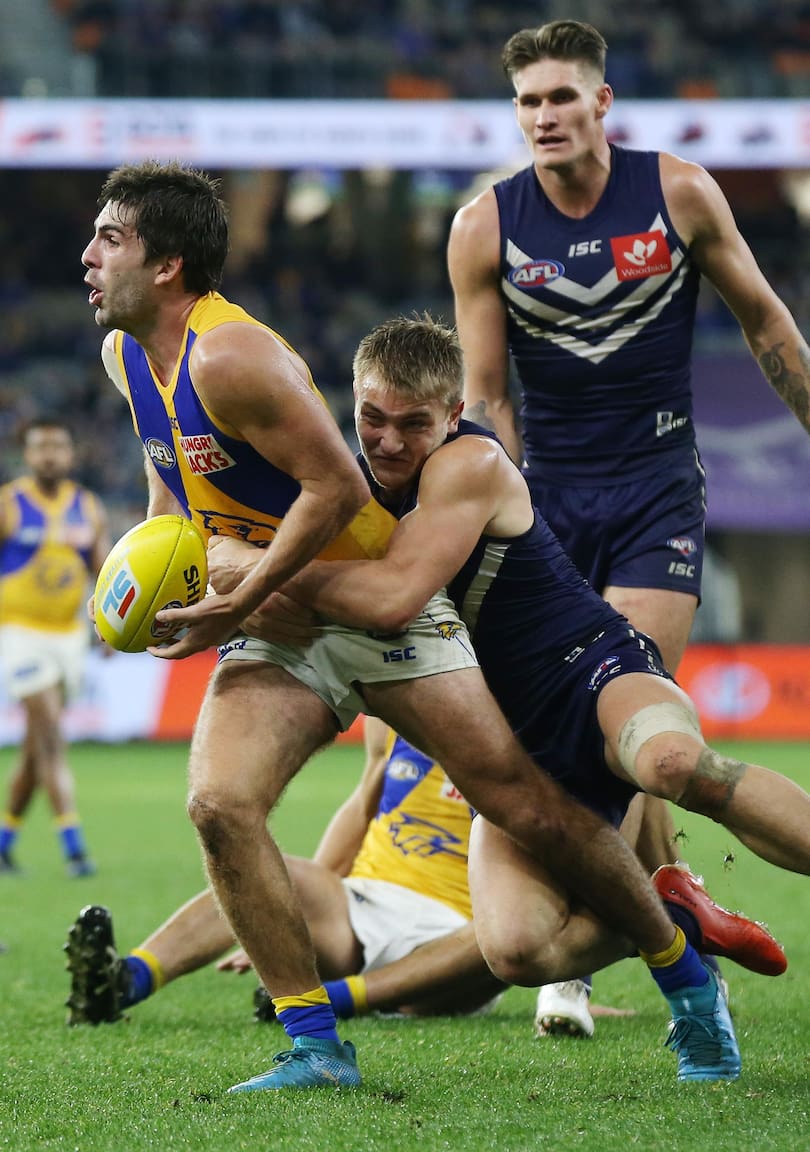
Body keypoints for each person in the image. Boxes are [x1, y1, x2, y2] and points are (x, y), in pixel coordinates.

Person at [86, 161, 757, 1092]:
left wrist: (243, 592)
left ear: (167, 264)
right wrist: (178, 584)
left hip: (365, 597)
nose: (88, 256)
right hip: (277, 616)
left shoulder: (231, 355)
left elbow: (335, 487)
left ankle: (684, 978)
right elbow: (177, 495)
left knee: (519, 803)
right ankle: (317, 1048)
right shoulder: (126, 357)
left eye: (110, 238)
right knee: (218, 805)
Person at [213, 315, 807, 1083]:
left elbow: (391, 597)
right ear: (351, 403)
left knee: (672, 763)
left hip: (590, 670)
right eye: (371, 418)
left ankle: (690, 989)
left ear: (452, 416)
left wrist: (258, 571)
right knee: (517, 951)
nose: (388, 441)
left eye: (413, 424)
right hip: (505, 741)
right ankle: (676, 917)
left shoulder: (472, 464)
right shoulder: (341, 490)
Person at [446, 17, 810, 1033]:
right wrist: (493, 524)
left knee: (628, 713)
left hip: (657, 492)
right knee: (580, 737)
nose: (545, 117)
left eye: (563, 97)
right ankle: (670, 917)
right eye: (528, 103)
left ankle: (634, 951)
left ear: (602, 103)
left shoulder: (681, 192)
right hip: (545, 505)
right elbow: (484, 396)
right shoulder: (484, 227)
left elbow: (767, 322)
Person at [65, 718, 508, 1025]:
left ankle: (334, 1000)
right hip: (364, 908)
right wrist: (282, 920)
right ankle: (125, 982)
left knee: (502, 932)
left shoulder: (525, 709)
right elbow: (363, 804)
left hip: (462, 934)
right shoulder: (408, 693)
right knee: (273, 873)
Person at [0, 418, 110, 877]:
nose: (49, 454)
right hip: (19, 632)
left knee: (34, 747)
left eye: (58, 445)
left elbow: (103, 567)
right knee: (49, 733)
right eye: (40, 447)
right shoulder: (8, 504)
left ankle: (5, 842)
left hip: (68, 636)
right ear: (27, 455)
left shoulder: (87, 508)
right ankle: (75, 847)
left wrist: (108, 622)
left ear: (70, 453)